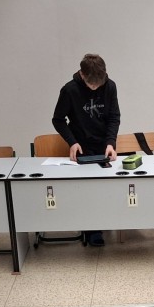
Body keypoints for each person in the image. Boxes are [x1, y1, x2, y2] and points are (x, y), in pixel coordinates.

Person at [52, 53, 121, 246]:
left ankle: (105, 221)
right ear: (82, 75)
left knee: (105, 188)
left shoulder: (110, 86)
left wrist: (111, 142)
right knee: (88, 189)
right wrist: (72, 142)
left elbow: (114, 117)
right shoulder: (69, 90)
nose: (95, 88)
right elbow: (58, 120)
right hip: (81, 146)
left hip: (104, 145)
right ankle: (92, 230)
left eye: (99, 84)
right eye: (92, 85)